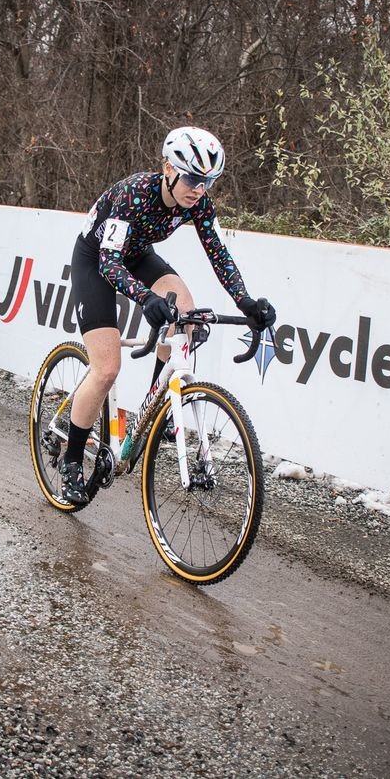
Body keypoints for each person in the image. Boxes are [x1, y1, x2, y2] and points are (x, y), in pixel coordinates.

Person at [56, 126, 277, 506]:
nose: (198, 190)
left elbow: (219, 255)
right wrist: (146, 299)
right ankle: (72, 462)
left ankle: (156, 406)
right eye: (192, 179)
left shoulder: (199, 204)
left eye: (208, 182)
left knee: (186, 309)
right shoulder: (134, 194)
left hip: (137, 253)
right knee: (107, 370)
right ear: (168, 169)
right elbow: (110, 264)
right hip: (96, 260)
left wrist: (245, 302)